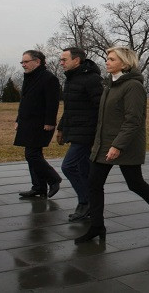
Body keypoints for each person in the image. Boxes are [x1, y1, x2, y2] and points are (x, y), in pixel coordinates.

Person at [75, 46, 149, 243]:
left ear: (125, 63)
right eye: (107, 58)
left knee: (135, 184)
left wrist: (118, 146)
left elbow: (133, 120)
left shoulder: (133, 87)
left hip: (125, 144)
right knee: (94, 183)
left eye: (112, 59)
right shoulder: (110, 85)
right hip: (105, 144)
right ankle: (97, 226)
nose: (107, 61)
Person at [57, 47, 103, 221]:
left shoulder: (91, 79)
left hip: (86, 133)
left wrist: (97, 133)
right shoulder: (71, 78)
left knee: (68, 166)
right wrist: (61, 128)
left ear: (76, 60)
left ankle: (86, 202)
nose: (61, 63)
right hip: (76, 130)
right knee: (83, 170)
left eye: (64, 60)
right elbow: (70, 108)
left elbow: (100, 107)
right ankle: (90, 204)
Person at [14, 50, 62, 198]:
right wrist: (18, 120)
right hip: (28, 122)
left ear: (37, 61)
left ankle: (53, 179)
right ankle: (39, 187)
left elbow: (52, 103)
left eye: (26, 62)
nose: (23, 65)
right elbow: (25, 101)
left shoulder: (49, 78)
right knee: (32, 155)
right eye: (22, 62)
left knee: (32, 155)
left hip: (40, 124)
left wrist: (50, 122)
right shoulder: (29, 76)